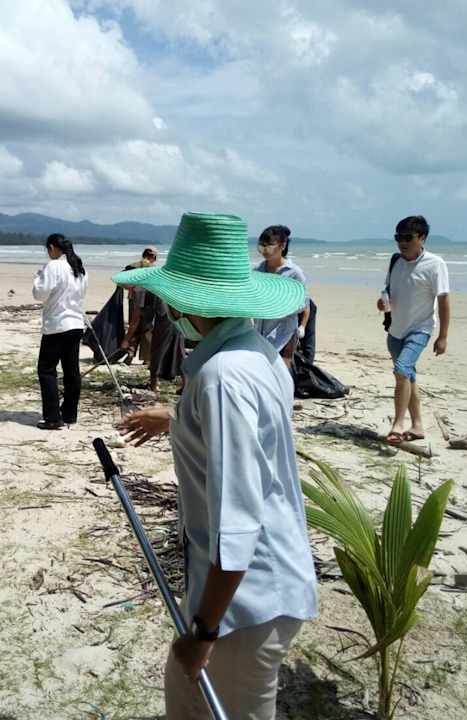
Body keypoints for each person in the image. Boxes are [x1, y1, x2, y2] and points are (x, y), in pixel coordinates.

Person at [115, 212, 317, 720]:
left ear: (187, 301)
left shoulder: (223, 378)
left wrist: (205, 630)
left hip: (245, 602)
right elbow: (255, 437)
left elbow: (240, 517)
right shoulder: (255, 353)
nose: (165, 306)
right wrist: (179, 418)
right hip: (248, 589)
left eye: (169, 296)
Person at [377, 215, 450, 444]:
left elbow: (445, 300)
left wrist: (443, 337)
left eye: (408, 237)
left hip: (420, 330)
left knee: (401, 371)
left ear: (422, 238)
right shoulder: (395, 261)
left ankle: (397, 425)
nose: (402, 242)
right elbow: (389, 289)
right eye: (398, 237)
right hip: (395, 332)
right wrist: (383, 302)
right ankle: (418, 425)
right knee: (408, 378)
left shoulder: (435, 264)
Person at [32, 233, 87, 430]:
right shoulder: (79, 267)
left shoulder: (54, 266)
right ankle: (70, 414)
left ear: (53, 247)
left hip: (57, 325)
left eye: (48, 249)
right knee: (71, 371)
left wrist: (39, 276)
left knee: (46, 370)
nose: (48, 253)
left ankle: (53, 417)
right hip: (76, 324)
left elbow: (39, 294)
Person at [253, 225, 310, 367]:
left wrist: (301, 327)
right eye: (261, 246)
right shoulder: (257, 271)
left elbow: (304, 304)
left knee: (282, 372)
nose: (265, 250)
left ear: (282, 246)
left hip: (285, 334)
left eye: (270, 246)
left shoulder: (294, 273)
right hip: (259, 332)